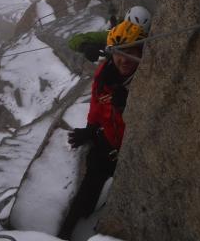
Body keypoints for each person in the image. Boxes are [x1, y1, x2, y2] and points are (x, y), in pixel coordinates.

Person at [58, 20, 149, 240]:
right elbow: (97, 105)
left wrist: (129, 103)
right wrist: (90, 129)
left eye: (131, 51)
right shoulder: (105, 74)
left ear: (142, 50)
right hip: (107, 144)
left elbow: (150, 118)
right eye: (118, 52)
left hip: (134, 153)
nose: (123, 58)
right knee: (86, 195)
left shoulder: (147, 78)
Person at [67, 6, 151, 62]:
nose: (131, 34)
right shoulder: (112, 35)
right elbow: (74, 41)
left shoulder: (112, 35)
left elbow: (74, 41)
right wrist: (84, 46)